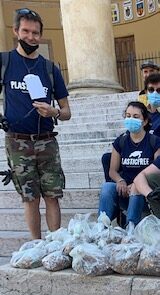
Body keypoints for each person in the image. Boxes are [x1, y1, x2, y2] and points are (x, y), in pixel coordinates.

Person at [1, 7, 71, 239]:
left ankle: (55, 245)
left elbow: (67, 112)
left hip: (47, 141)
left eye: (36, 33)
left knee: (53, 195)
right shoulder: (5, 61)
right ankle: (36, 245)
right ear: (16, 31)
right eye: (26, 31)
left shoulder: (50, 69)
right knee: (30, 198)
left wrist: (53, 112)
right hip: (17, 141)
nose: (31, 37)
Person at [98, 101, 160, 226]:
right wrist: (120, 181)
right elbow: (112, 171)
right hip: (125, 191)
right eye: (128, 116)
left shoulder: (154, 141)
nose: (130, 119)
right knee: (107, 187)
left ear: (144, 121)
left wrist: (136, 184)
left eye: (135, 117)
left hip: (145, 193)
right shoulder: (121, 141)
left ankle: (131, 227)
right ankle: (101, 227)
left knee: (137, 188)